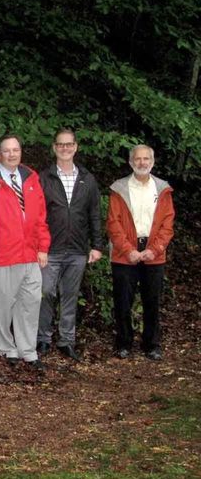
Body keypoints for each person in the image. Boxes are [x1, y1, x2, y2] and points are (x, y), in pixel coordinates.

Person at [0, 134, 50, 371]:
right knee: (3, 306)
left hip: (30, 254)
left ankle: (28, 351)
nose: (11, 154)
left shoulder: (30, 178)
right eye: (6, 150)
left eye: (15, 150)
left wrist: (43, 247)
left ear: (21, 152)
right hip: (2, 254)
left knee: (30, 304)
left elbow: (40, 217)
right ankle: (8, 349)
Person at [36, 129, 104, 361]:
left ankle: (66, 340)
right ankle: (43, 338)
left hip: (77, 249)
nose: (65, 148)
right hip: (50, 250)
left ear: (76, 147)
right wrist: (39, 245)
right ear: (54, 148)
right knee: (45, 293)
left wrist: (97, 245)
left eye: (69, 145)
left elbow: (94, 213)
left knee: (70, 295)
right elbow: (37, 214)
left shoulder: (87, 178)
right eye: (60, 145)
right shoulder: (43, 178)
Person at [107, 144, 174, 360]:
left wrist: (155, 249)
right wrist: (128, 250)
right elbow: (113, 224)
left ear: (152, 162)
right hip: (124, 253)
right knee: (123, 301)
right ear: (130, 162)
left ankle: (151, 344)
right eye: (137, 159)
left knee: (152, 301)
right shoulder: (119, 188)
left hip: (154, 253)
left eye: (146, 159)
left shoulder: (163, 189)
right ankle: (123, 343)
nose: (142, 162)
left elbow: (167, 223)